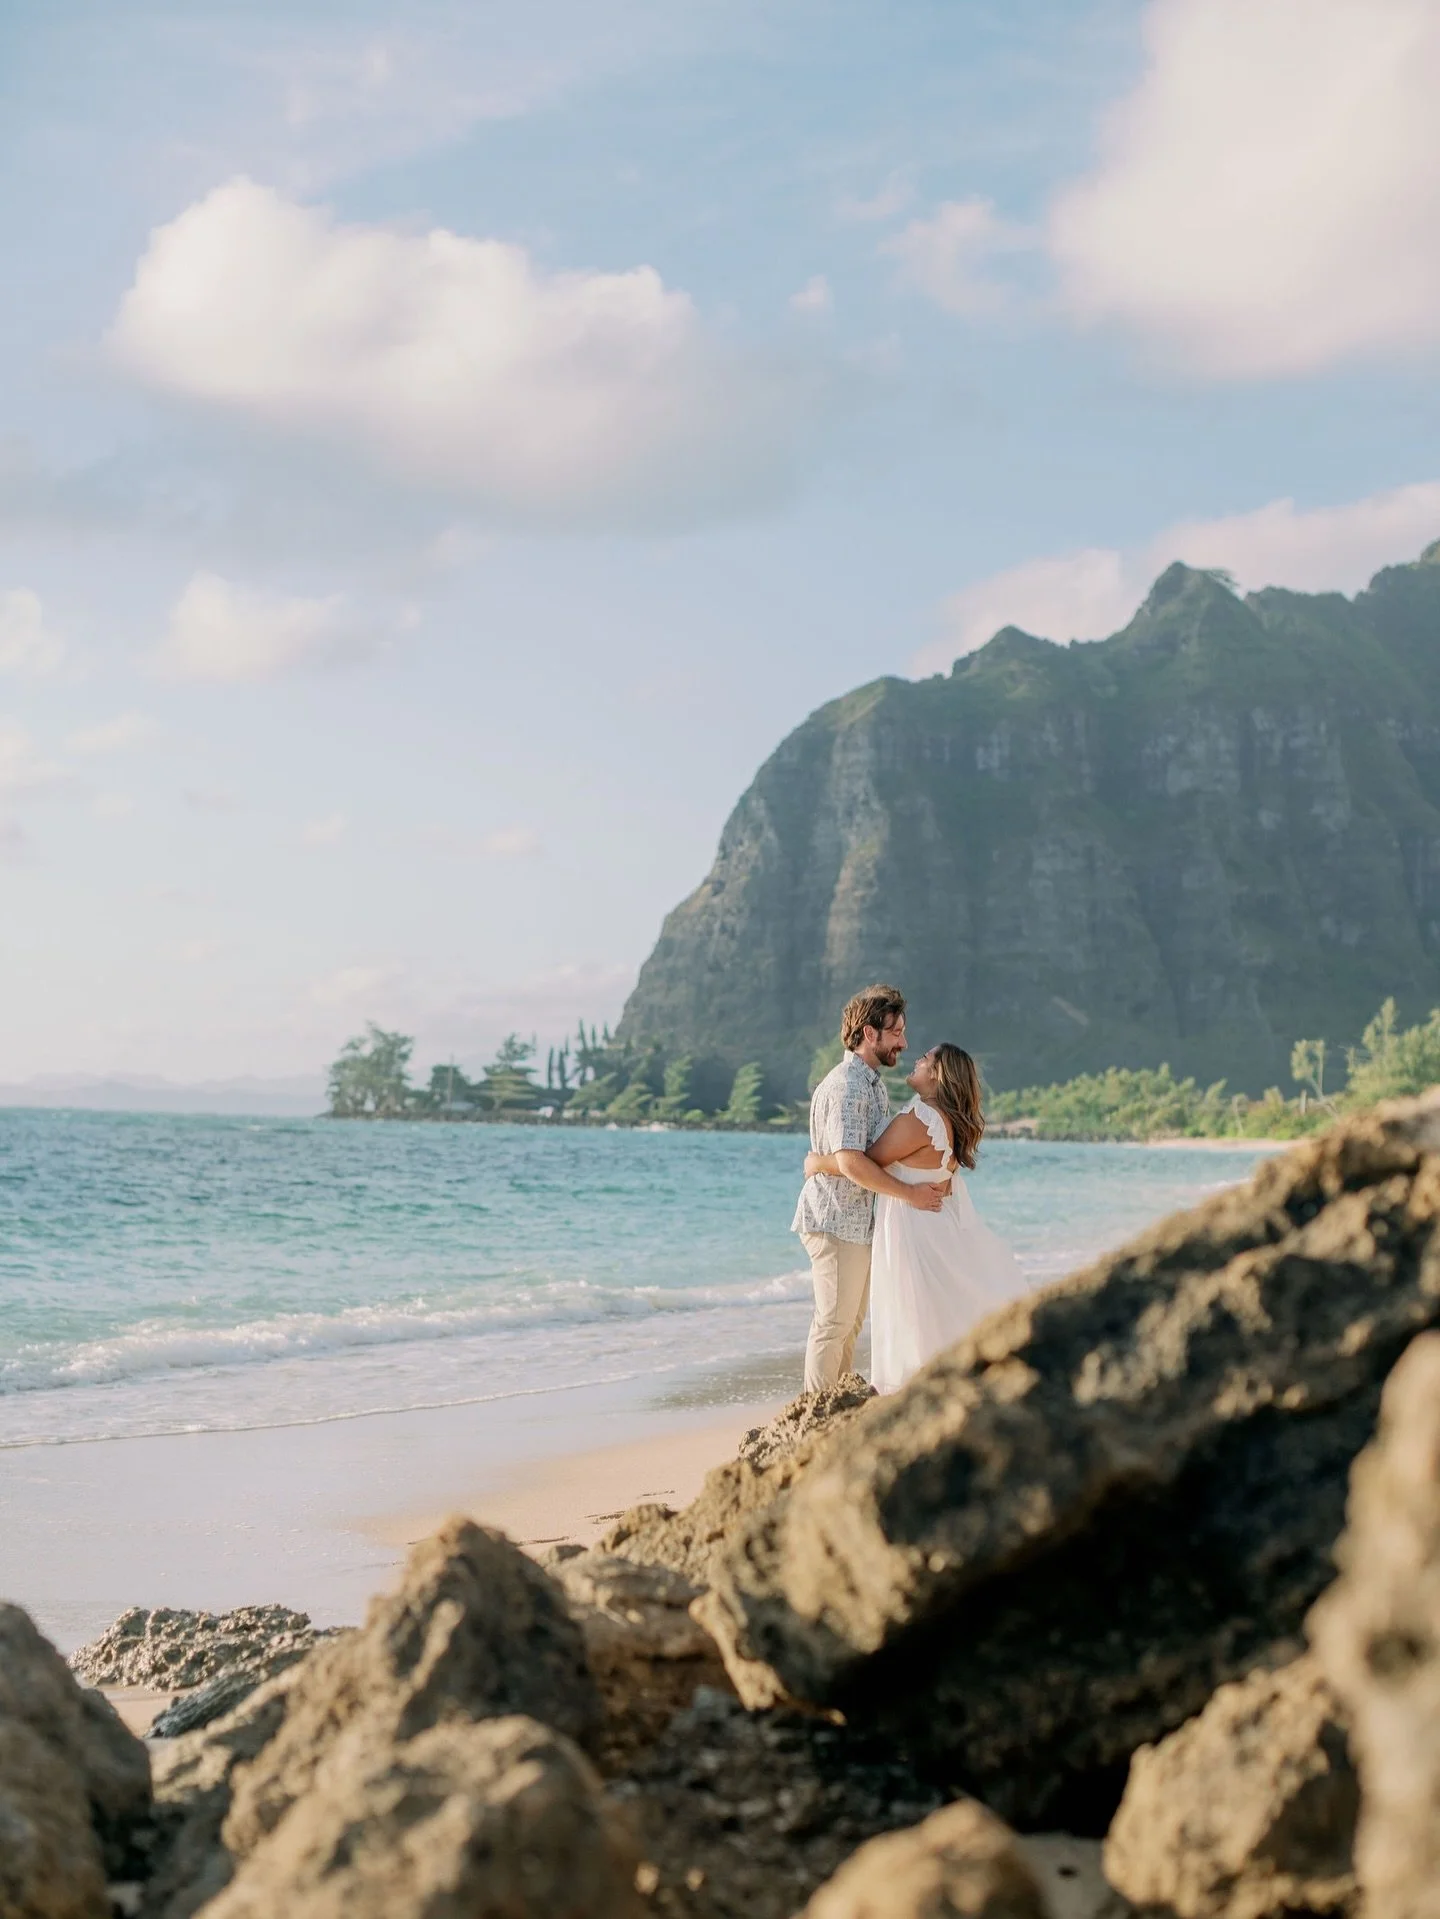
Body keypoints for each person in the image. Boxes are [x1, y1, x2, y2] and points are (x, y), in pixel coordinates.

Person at [804, 1041, 1029, 1394]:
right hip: (930, 1225)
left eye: (925, 1059)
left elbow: (865, 1160)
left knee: (913, 1317)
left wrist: (817, 1162)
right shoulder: (947, 1121)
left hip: (914, 1231)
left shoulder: (923, 1119)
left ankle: (915, 1392)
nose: (916, 1060)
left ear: (936, 1074)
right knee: (930, 1313)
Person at [791, 985, 948, 1393]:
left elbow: (869, 1153)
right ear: (869, 1033)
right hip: (835, 1219)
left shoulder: (871, 1082)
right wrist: (910, 1194)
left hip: (854, 1223)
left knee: (847, 1326)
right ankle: (812, 1418)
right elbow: (850, 1160)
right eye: (896, 1032)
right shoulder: (850, 1084)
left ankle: (833, 1413)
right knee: (833, 1325)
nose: (904, 1041)